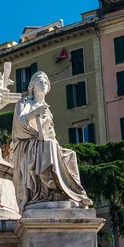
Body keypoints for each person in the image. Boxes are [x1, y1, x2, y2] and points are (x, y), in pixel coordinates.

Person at [11, 71, 93, 211]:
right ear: (32, 86)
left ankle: (75, 193)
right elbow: (18, 126)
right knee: (49, 145)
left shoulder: (48, 111)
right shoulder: (24, 103)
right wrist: (33, 114)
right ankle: (48, 188)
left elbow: (51, 133)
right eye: (40, 82)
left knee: (70, 154)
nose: (44, 85)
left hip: (46, 144)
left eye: (46, 83)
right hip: (27, 144)